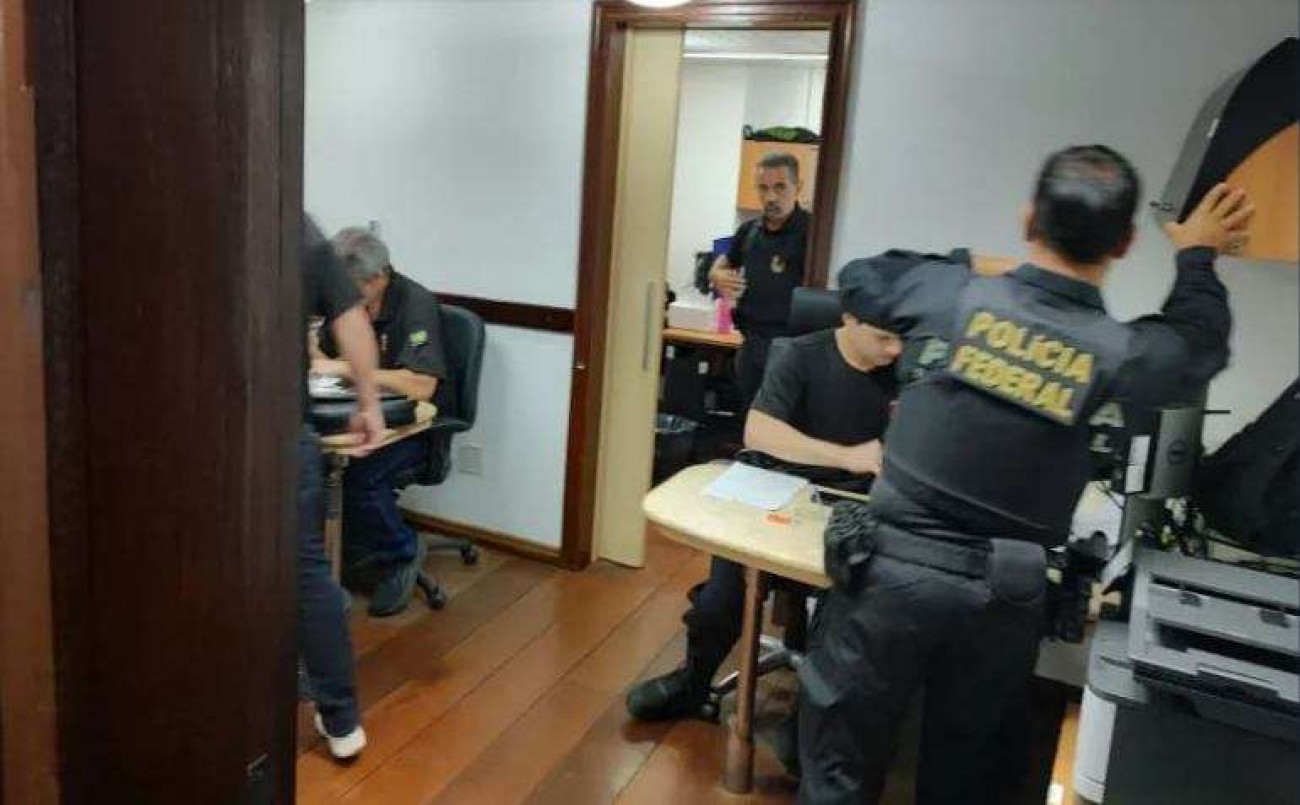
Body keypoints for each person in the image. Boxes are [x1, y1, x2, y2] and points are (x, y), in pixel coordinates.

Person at [796, 146, 1252, 804]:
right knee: (965, 776)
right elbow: (1200, 342)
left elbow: (862, 278)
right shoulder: (1123, 353)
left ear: (1027, 219)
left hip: (886, 579)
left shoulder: (952, 295)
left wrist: (975, 265)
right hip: (1002, 599)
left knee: (837, 770)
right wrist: (1196, 254)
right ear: (1124, 243)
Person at [626, 304, 901, 722]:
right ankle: (693, 684)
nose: (894, 349)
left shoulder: (902, 372)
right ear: (849, 319)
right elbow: (759, 432)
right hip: (778, 490)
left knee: (853, 609)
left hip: (855, 506)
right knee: (720, 599)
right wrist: (846, 456)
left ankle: (814, 723)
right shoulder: (800, 355)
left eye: (899, 338)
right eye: (883, 337)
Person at [312, 228, 454, 617]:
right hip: (357, 414)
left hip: (415, 429)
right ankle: (347, 553)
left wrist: (348, 369)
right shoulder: (348, 304)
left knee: (360, 474)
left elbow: (422, 384)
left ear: (380, 277)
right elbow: (319, 354)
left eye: (351, 287)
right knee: (311, 463)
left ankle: (401, 552)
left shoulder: (415, 305)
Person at [299, 216, 385, 760]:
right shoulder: (299, 228)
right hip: (280, 430)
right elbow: (351, 317)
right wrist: (369, 405)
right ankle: (342, 720)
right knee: (306, 574)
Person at [710, 152, 813, 408]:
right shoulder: (749, 231)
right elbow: (720, 266)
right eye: (763, 188)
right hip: (751, 346)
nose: (771, 197)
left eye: (780, 187)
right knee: (749, 421)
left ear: (798, 187)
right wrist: (717, 275)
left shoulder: (812, 232)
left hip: (791, 350)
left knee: (782, 424)